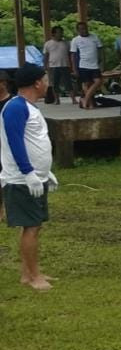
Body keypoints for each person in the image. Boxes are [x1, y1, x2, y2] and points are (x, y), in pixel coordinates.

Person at [1, 66, 56, 292]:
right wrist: (28, 172)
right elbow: (14, 142)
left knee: (35, 225)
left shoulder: (30, 107)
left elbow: (34, 141)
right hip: (22, 180)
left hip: (35, 177)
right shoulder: (16, 107)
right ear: (37, 83)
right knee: (31, 226)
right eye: (45, 79)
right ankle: (33, 276)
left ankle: (29, 271)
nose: (47, 84)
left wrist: (45, 171)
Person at [70, 21, 103, 109]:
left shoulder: (94, 37)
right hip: (83, 65)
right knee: (86, 84)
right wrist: (74, 69)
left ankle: (85, 99)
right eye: (81, 29)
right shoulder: (75, 40)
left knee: (98, 81)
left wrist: (102, 63)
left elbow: (101, 50)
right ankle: (90, 104)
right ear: (78, 30)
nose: (84, 30)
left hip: (95, 64)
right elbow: (73, 55)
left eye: (85, 28)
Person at [42, 27, 72, 104]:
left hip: (65, 65)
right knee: (54, 84)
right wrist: (45, 65)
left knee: (68, 82)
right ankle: (57, 99)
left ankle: (73, 99)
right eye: (59, 32)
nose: (61, 34)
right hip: (53, 66)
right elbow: (46, 56)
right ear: (53, 34)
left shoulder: (67, 43)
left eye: (61, 32)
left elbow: (70, 55)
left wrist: (71, 65)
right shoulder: (48, 44)